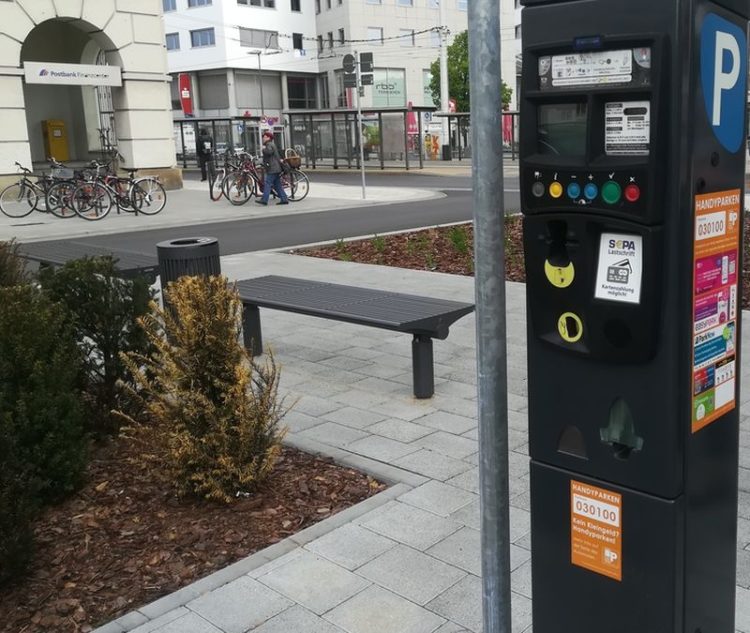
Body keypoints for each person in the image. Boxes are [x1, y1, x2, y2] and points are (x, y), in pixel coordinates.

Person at [255, 131, 289, 206]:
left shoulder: (269, 144)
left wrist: (263, 149)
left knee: (268, 183)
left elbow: (269, 152)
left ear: (268, 138)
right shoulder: (271, 144)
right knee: (277, 184)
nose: (263, 138)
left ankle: (264, 200)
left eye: (264, 137)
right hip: (276, 167)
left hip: (273, 167)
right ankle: (284, 199)